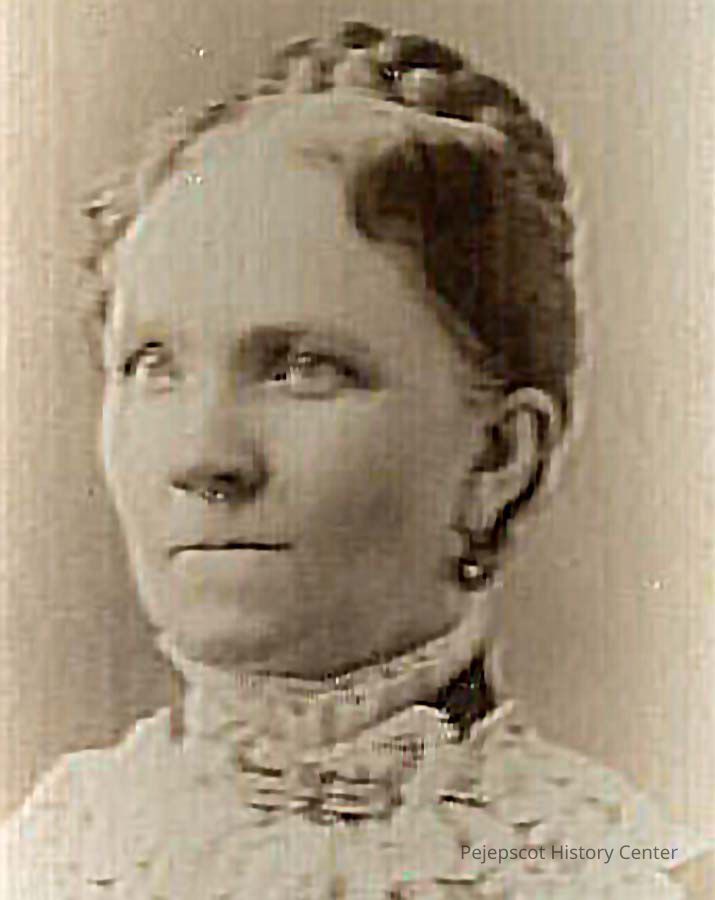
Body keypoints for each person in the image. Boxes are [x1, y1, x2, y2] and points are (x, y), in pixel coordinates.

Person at [0, 20, 709, 899]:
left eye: (303, 369)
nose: (203, 455)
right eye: (153, 367)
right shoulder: (54, 856)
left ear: (497, 457)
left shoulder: (618, 875)